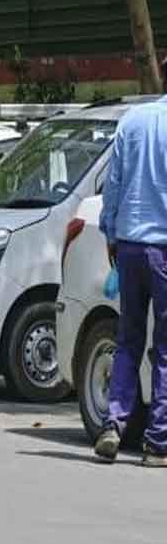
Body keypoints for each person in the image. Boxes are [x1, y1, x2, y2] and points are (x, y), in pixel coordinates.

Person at [94, 90, 167, 465]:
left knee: (128, 339)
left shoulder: (133, 120)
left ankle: (113, 424)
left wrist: (110, 233)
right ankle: (158, 441)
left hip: (130, 244)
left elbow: (114, 185)